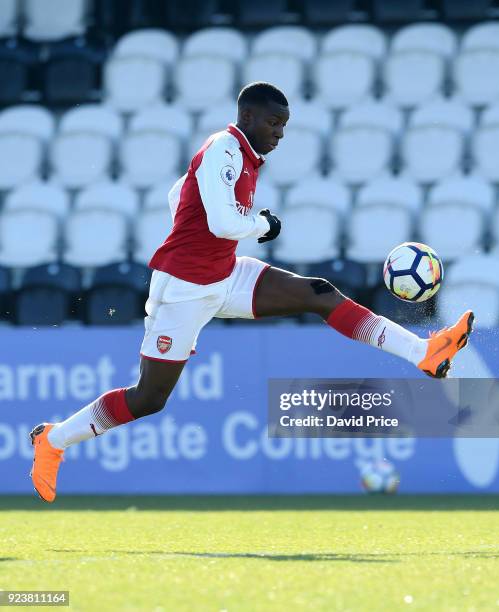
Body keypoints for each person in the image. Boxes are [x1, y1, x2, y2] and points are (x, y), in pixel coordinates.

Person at [30, 82, 474, 502]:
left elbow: (178, 195)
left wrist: (193, 222)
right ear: (247, 115)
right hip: (183, 291)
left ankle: (425, 352)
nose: (279, 133)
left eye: (284, 125)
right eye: (273, 123)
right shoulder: (223, 150)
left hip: (223, 274)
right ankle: (53, 439)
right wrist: (264, 224)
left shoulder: (241, 155)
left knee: (318, 294)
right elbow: (224, 224)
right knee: (149, 398)